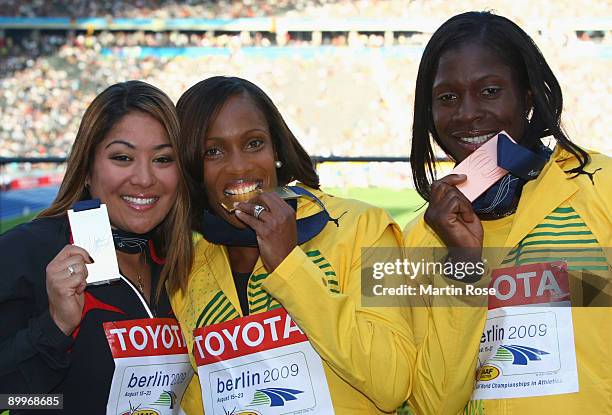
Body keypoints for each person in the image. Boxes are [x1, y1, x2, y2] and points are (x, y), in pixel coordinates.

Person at [168, 75, 485, 415]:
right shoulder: (186, 271)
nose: (240, 166)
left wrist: (290, 267)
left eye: (254, 143)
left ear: (277, 148)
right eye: (213, 151)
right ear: (190, 165)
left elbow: (393, 383)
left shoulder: (366, 227)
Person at [404, 11, 611, 415]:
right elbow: (433, 404)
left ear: (529, 95)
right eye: (447, 97)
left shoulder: (600, 186)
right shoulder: (417, 237)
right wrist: (463, 266)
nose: (467, 113)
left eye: (490, 91)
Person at [0, 80, 193, 414]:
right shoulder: (27, 251)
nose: (144, 178)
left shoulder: (183, 263)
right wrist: (55, 328)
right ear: (87, 169)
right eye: (122, 157)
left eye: (163, 159)